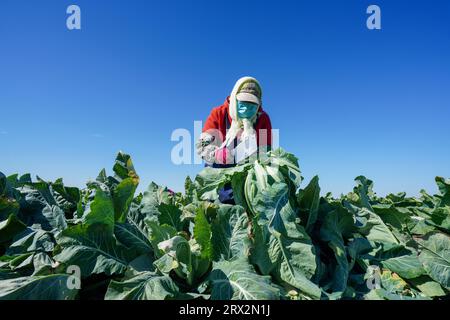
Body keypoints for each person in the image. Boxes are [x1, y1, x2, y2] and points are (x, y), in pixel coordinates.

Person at [196, 76, 272, 204]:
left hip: (247, 170)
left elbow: (266, 150)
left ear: (258, 104)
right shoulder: (219, 113)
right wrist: (216, 154)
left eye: (252, 105)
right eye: (243, 103)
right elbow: (202, 145)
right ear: (234, 97)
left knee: (242, 203)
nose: (246, 108)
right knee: (213, 204)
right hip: (218, 168)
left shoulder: (262, 119)